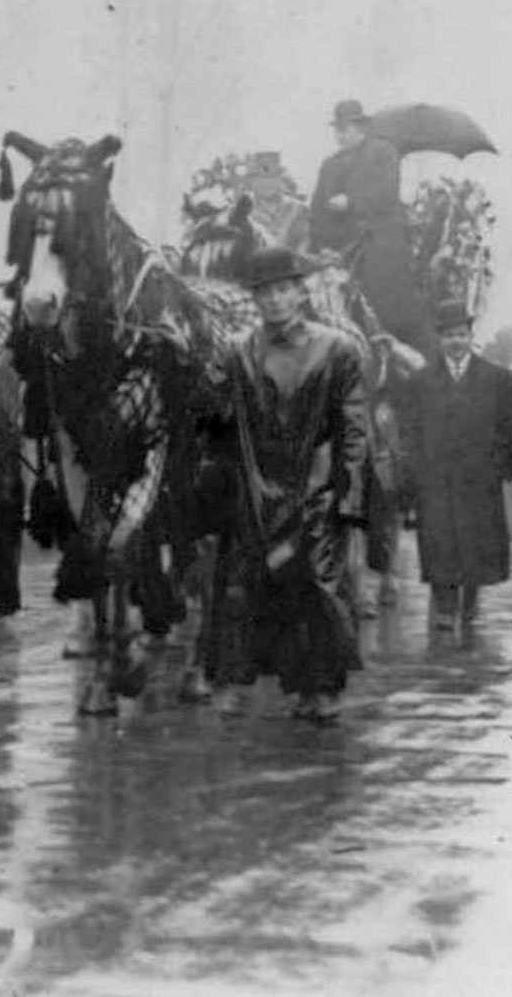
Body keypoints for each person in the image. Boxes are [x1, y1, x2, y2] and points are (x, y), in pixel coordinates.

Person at [199, 245, 369, 722]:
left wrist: (350, 497)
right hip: (255, 487)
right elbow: (212, 416)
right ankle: (240, 681)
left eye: (282, 290)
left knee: (315, 587)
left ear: (301, 292)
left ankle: (321, 689)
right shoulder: (237, 350)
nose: (274, 300)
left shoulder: (337, 349)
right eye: (264, 293)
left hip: (315, 487)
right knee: (245, 587)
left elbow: (354, 428)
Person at [398, 300, 512, 632]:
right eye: (449, 335)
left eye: (461, 334)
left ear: (470, 336)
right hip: (436, 481)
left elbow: (510, 430)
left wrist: (499, 470)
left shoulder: (496, 379)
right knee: (440, 542)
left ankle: (469, 602)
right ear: (439, 339)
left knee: (476, 544)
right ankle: (444, 607)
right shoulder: (421, 382)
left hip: (479, 480)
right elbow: (409, 432)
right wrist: (414, 474)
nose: (456, 341)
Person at [307, 99, 423, 348]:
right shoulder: (330, 165)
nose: (339, 136)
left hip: (381, 247)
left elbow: (387, 194)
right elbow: (317, 211)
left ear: (360, 127)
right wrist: (322, 246)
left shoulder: (383, 152)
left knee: (387, 309)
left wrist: (351, 202)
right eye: (336, 130)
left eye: (344, 129)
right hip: (341, 252)